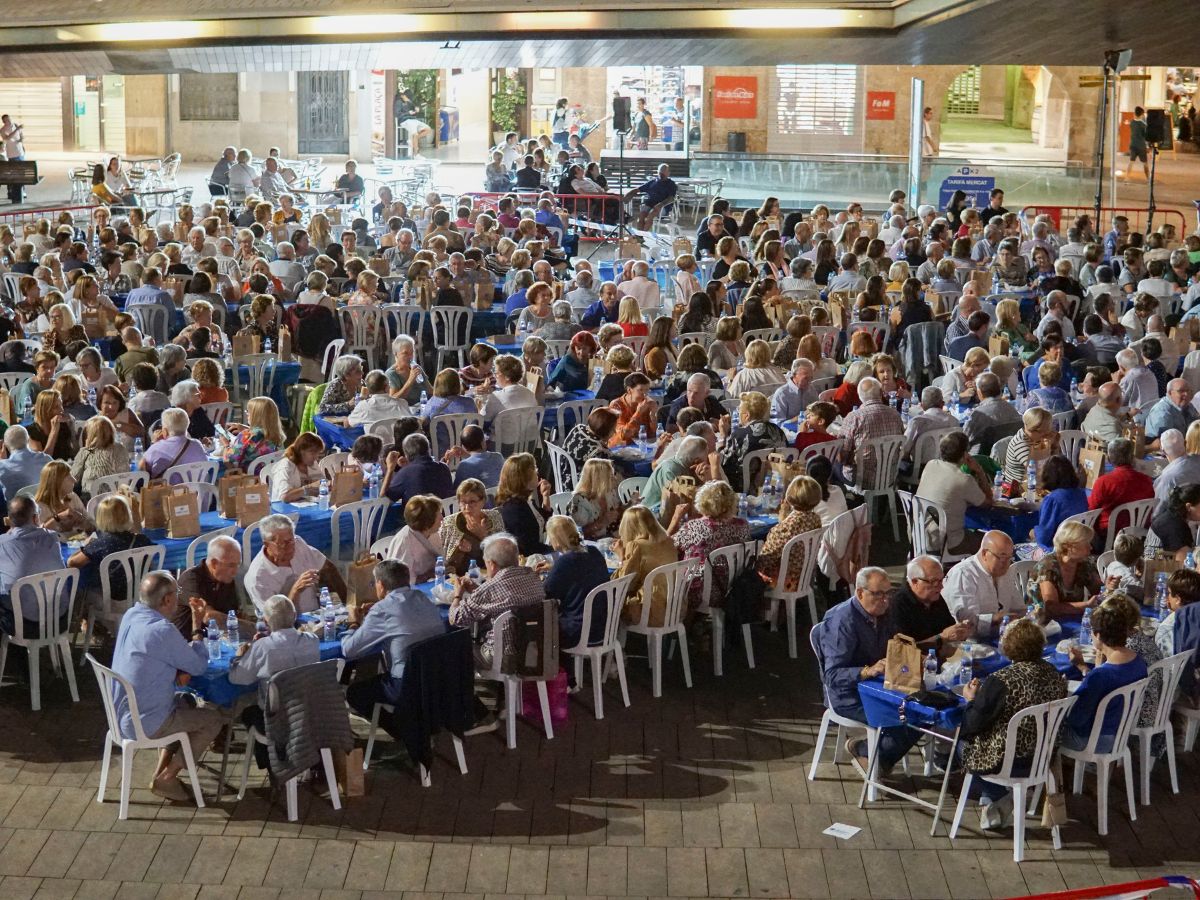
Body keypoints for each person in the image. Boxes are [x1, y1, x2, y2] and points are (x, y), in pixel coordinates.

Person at [110, 571, 222, 802]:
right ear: (168, 600)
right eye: (177, 594)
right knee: (214, 720)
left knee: (186, 701)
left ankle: (160, 771)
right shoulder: (161, 630)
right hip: (146, 722)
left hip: (119, 714)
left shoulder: (132, 615)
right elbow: (198, 666)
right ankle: (169, 776)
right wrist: (197, 627)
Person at [958, 616, 1068, 829]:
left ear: (1008, 647)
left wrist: (971, 699)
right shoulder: (1054, 675)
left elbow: (973, 722)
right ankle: (992, 804)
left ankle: (1000, 796)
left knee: (960, 744)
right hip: (1041, 756)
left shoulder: (1002, 680)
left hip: (1006, 760)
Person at [820, 567, 921, 774]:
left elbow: (894, 643)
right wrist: (867, 671)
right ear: (860, 593)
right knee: (907, 717)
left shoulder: (884, 612)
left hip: (882, 688)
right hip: (848, 696)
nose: (885, 600)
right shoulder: (842, 621)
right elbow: (832, 676)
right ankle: (870, 753)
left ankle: (869, 751)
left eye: (888, 593)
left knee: (924, 711)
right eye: (878, 594)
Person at [341, 556, 448, 740]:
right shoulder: (423, 598)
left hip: (406, 685)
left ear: (380, 585)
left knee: (354, 693)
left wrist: (353, 623)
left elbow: (349, 651)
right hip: (440, 679)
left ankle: (401, 729)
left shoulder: (382, 610)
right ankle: (410, 726)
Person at [1063, 594, 1149, 750]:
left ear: (1098, 635)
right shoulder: (1139, 662)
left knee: (1048, 729)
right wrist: (1084, 668)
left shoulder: (1101, 676)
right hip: (1120, 734)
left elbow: (1076, 718)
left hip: (1094, 740)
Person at [449, 532, 545, 668]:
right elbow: (506, 596)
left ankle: (478, 687)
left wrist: (457, 595)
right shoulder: (532, 576)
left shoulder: (490, 589)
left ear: (492, 564)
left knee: (454, 649)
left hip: (504, 657)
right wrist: (478, 589)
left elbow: (456, 618)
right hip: (535, 651)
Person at [668, 481, 749, 612]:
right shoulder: (742, 525)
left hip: (702, 592)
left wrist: (675, 518)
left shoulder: (694, 527)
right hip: (734, 587)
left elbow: (666, 547)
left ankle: (683, 624)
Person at [244, 514, 346, 615]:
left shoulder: (298, 544)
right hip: (289, 625)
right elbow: (276, 620)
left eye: (290, 541)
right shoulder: (258, 578)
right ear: (267, 544)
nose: (289, 548)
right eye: (282, 544)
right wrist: (295, 590)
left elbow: (329, 569)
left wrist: (348, 604)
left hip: (315, 615)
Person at [915, 431, 992, 554]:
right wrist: (979, 471)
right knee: (991, 542)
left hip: (919, 535)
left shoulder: (931, 465)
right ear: (965, 454)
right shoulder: (963, 479)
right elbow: (988, 503)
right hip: (946, 542)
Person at [68, 494, 153, 603]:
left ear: (101, 519)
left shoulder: (100, 543)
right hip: (142, 594)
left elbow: (72, 563)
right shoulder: (143, 540)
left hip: (112, 598)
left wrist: (85, 546)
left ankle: (85, 619)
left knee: (83, 593)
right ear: (128, 515)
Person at [542, 515, 609, 649]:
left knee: (541, 625)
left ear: (556, 539)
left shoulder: (565, 562)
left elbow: (545, 594)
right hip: (605, 625)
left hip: (580, 630)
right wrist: (555, 569)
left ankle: (560, 668)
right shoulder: (594, 552)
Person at [943, 530, 1026, 637]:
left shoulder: (1005, 571)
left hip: (1002, 636)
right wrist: (996, 618)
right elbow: (967, 622)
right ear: (984, 553)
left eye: (1009, 558)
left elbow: (1018, 608)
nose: (1006, 563)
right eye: (1002, 557)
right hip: (969, 643)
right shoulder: (963, 574)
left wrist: (1030, 614)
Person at [758, 475, 824, 592]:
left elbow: (766, 558)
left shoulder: (785, 528)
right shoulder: (815, 519)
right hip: (804, 578)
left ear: (789, 497)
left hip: (782, 581)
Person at [891, 556, 969, 650]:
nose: (941, 587)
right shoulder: (897, 605)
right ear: (915, 581)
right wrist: (942, 638)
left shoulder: (935, 598)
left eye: (941, 580)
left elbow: (949, 627)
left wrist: (960, 632)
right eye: (934, 582)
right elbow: (904, 650)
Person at [1028, 520, 1102, 617]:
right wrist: (1085, 605)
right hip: (1043, 621)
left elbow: (1098, 590)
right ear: (1069, 546)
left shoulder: (1084, 563)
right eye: (1086, 543)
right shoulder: (1048, 567)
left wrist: (1109, 588)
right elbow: (1051, 607)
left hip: (1071, 617)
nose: (1090, 547)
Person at [839, 377, 903, 486]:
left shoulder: (854, 417)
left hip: (862, 478)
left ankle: (843, 500)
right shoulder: (895, 414)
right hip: (889, 476)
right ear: (880, 393)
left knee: (832, 464)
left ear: (860, 396)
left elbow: (842, 456)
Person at [174, 535, 241, 638]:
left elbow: (232, 614)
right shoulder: (191, 580)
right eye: (231, 565)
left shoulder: (224, 578)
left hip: (213, 639)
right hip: (187, 643)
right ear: (214, 564)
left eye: (238, 565)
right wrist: (250, 627)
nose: (235, 571)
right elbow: (208, 616)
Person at [718, 391, 786, 493]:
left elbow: (722, 463)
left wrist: (723, 436)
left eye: (739, 411)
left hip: (746, 487)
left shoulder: (739, 434)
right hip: (775, 484)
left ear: (747, 415)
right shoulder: (778, 431)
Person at [1087, 437, 1154, 536]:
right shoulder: (1147, 480)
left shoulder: (1103, 482)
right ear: (1132, 458)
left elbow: (1091, 511)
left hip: (1109, 535)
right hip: (1139, 533)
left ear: (1109, 459)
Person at [437, 478, 504, 576]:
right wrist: (459, 551)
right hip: (459, 578)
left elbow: (502, 557)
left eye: (472, 502)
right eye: (463, 502)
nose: (467, 507)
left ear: (483, 501)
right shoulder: (448, 524)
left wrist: (483, 536)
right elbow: (443, 563)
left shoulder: (494, 517)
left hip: (492, 574)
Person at [1031, 455, 1089, 553]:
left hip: (1055, 550)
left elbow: (1043, 538)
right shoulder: (1081, 493)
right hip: (1078, 545)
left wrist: (1034, 532)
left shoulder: (1053, 499)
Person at [384, 433, 453, 508]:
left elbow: (384, 501)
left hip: (418, 518)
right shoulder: (444, 468)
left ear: (406, 454)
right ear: (428, 449)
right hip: (442, 517)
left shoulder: (406, 473)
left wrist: (390, 469)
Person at [70, 416, 131, 498]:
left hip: (91, 499)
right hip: (116, 496)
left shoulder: (86, 451)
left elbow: (73, 477)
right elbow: (125, 475)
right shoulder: (121, 448)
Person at [140, 408, 207, 480]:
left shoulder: (156, 448)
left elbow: (142, 469)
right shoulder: (197, 444)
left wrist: (153, 443)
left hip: (169, 491)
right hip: (197, 489)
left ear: (164, 431)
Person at [222, 396, 285, 473]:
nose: (246, 414)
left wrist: (226, 445)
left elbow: (228, 461)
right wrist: (247, 428)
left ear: (256, 415)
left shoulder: (246, 435)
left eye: (248, 411)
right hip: (270, 479)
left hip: (248, 481)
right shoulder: (278, 435)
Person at [33, 460, 92, 535]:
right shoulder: (40, 507)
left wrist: (83, 521)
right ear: (56, 481)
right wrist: (59, 517)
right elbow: (39, 536)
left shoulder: (72, 497)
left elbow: (91, 525)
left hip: (80, 542)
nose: (74, 480)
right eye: (68, 476)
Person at [1150, 484, 1200, 562]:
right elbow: (1182, 562)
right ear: (1189, 506)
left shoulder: (1172, 515)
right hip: (1159, 568)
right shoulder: (1176, 528)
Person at [445, 424, 503, 488]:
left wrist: (446, 464)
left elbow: (457, 490)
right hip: (497, 496)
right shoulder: (498, 457)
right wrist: (467, 455)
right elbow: (482, 462)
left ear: (464, 447)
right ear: (483, 441)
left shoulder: (464, 466)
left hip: (479, 497)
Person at [0, 425, 51, 500]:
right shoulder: (47, 459)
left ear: (6, 445)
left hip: (16, 510)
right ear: (28, 440)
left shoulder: (2, 467)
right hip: (46, 507)